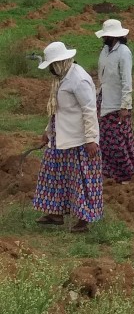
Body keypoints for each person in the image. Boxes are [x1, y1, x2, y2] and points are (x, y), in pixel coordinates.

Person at [33, 41, 103, 232]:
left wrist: (91, 139)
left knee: (80, 179)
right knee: (52, 174)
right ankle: (54, 213)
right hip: (59, 135)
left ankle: (82, 220)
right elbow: (57, 110)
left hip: (78, 138)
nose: (51, 71)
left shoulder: (79, 79)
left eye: (52, 66)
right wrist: (48, 131)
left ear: (60, 63)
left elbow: (89, 111)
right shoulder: (61, 79)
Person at [96, 18, 134, 183]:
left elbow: (126, 81)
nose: (103, 38)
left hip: (117, 103)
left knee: (119, 141)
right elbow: (102, 76)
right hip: (104, 99)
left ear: (112, 36)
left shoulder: (124, 52)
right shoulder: (105, 51)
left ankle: (126, 175)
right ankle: (109, 173)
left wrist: (125, 106)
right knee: (104, 140)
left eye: (105, 35)